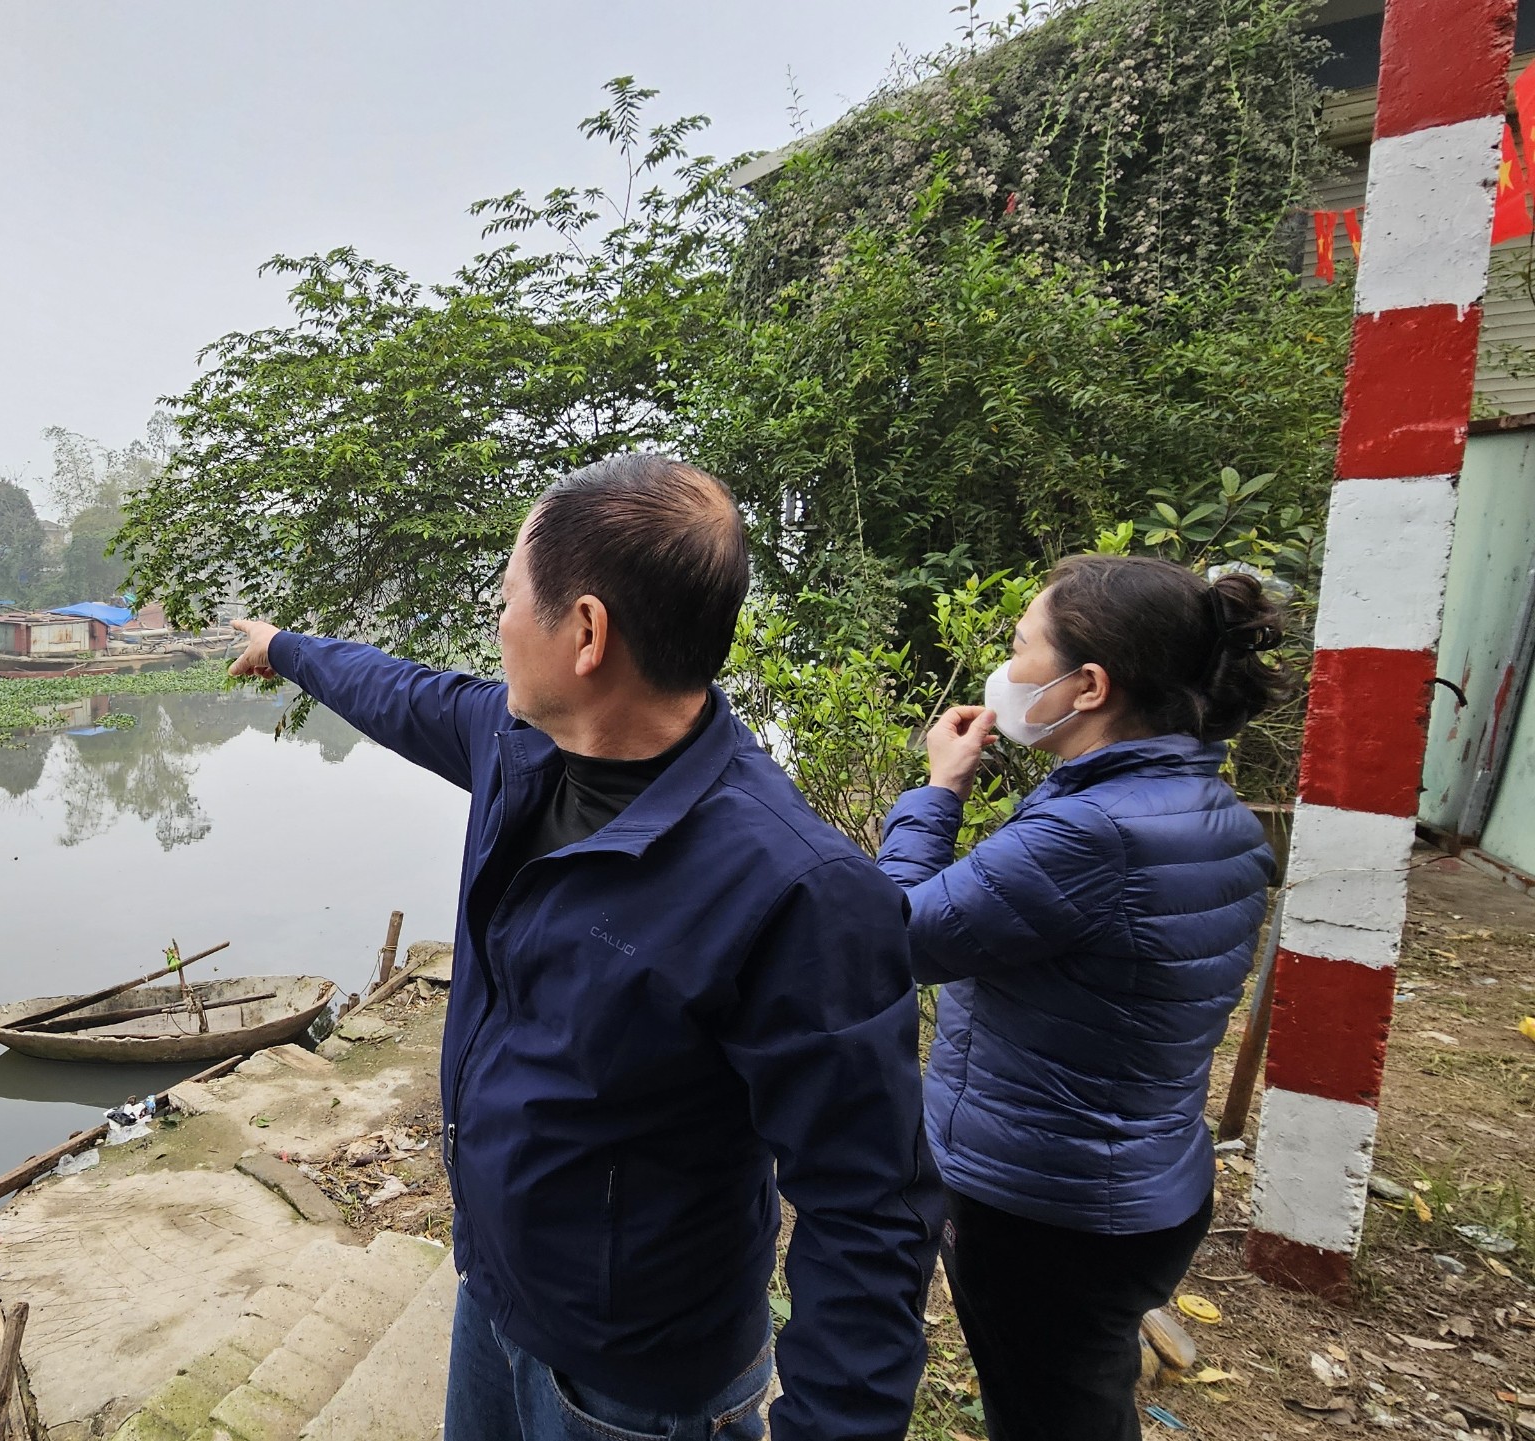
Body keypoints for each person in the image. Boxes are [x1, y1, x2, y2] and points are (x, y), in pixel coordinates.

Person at [230, 454, 939, 1441]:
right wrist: (285, 646)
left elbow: (867, 1215)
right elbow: (394, 690)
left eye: (509, 596)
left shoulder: (795, 891)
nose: (497, 621)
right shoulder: (517, 745)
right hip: (496, 1293)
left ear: (588, 633)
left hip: (639, 1387)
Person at [874, 555, 1285, 1441]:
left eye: (1021, 646)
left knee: (1053, 1416)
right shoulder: (1210, 812)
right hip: (1145, 1180)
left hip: (1048, 1209)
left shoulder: (1090, 833)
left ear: (1088, 685)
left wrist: (937, 789)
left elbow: (888, 934)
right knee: (1073, 1401)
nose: (1005, 668)